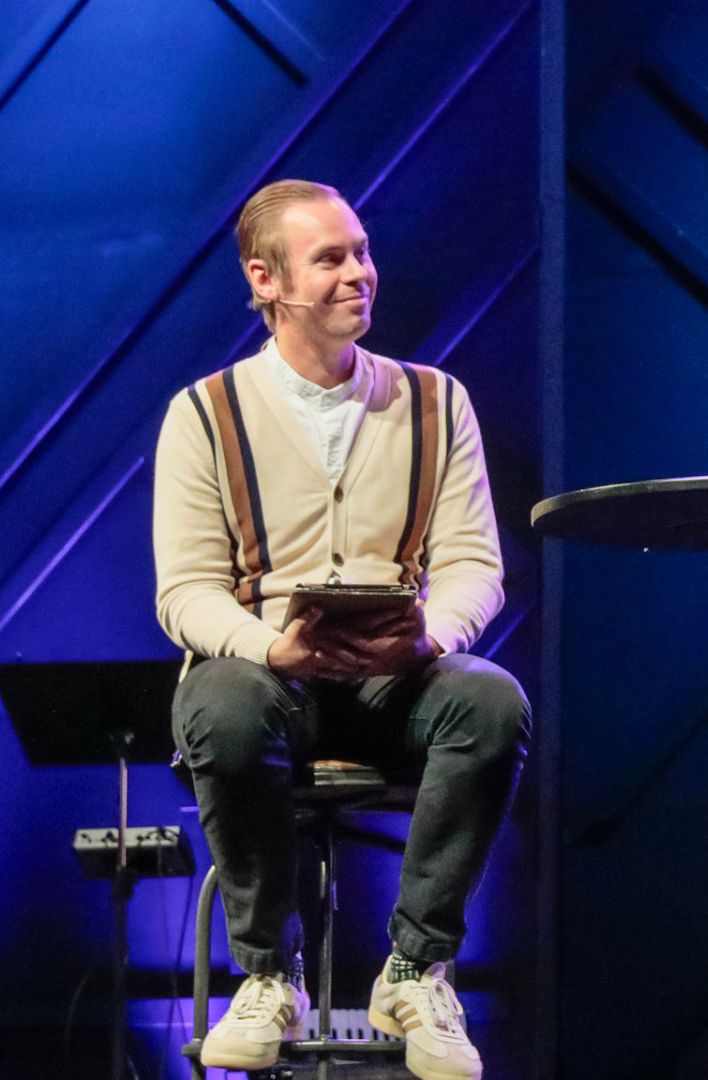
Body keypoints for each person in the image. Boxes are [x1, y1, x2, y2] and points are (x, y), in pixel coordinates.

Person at [155, 179, 528, 1080]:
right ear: (266, 280)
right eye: (330, 258)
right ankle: (267, 976)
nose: (360, 272)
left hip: (396, 677)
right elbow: (186, 590)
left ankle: (414, 971)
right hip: (270, 676)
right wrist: (270, 646)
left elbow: (475, 564)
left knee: (491, 702)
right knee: (224, 705)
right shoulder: (205, 412)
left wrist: (429, 637)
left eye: (361, 251)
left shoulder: (436, 401)